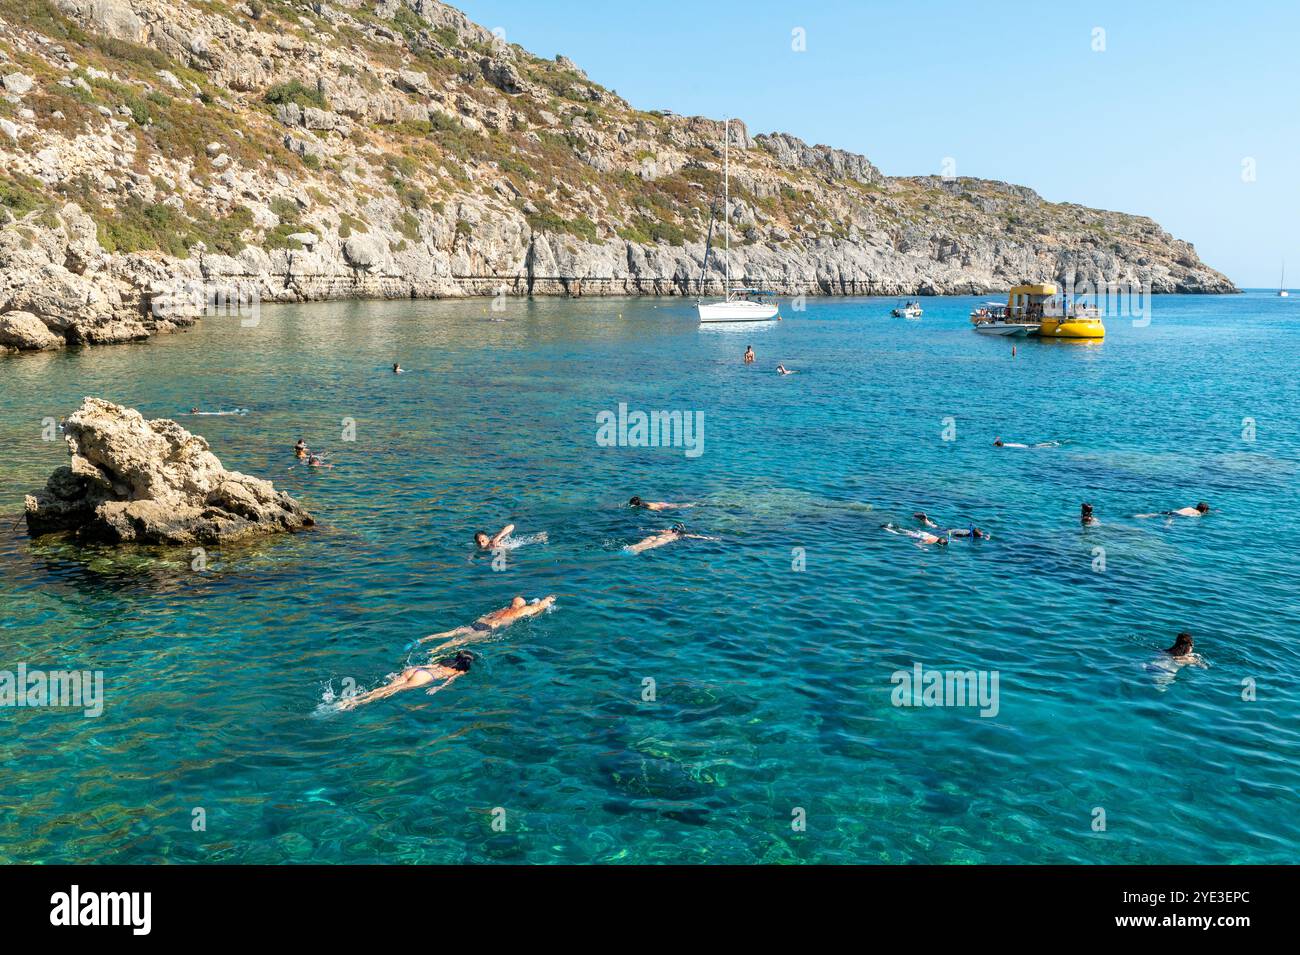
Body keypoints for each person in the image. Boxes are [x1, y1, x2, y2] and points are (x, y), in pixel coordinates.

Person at [411, 595, 557, 652]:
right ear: (522, 605)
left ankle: (421, 640)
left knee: (449, 633)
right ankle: (434, 650)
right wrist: (550, 599)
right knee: (458, 642)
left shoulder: (503, 609)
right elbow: (539, 606)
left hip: (478, 623)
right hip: (486, 629)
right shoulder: (522, 611)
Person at [337, 651, 474, 711]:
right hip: (424, 678)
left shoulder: (447, 661)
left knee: (385, 688)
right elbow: (450, 680)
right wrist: (437, 688)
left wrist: (412, 668)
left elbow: (430, 666)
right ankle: (354, 703)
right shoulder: (462, 671)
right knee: (390, 692)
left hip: (416, 670)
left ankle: (354, 698)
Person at [625, 523, 718, 554]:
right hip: (664, 539)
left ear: (672, 528)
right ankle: (635, 551)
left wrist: (643, 529)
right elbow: (696, 536)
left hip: (655, 536)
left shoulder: (666, 531)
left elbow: (654, 530)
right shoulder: (681, 534)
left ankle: (631, 547)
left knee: (642, 543)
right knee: (646, 547)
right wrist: (710, 538)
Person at [883, 523, 948, 546]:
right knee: (899, 534)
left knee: (905, 530)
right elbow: (917, 543)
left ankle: (892, 526)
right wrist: (923, 548)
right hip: (918, 536)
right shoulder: (931, 542)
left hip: (922, 533)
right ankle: (887, 529)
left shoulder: (937, 537)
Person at [1137, 502, 1210, 519]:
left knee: (1155, 514)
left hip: (1174, 511)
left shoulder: (1190, 507)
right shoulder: (1198, 513)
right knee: (1170, 519)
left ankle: (1139, 516)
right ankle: (1167, 526)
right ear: (1204, 510)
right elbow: (1191, 516)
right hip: (1177, 515)